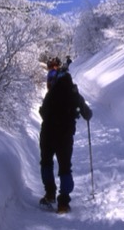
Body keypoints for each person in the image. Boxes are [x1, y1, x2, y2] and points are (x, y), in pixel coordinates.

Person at [38, 61, 93, 213]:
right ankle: (63, 203)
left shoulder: (51, 93)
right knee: (65, 167)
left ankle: (50, 195)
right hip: (65, 135)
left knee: (46, 163)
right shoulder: (74, 93)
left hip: (48, 133)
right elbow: (87, 113)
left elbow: (43, 112)